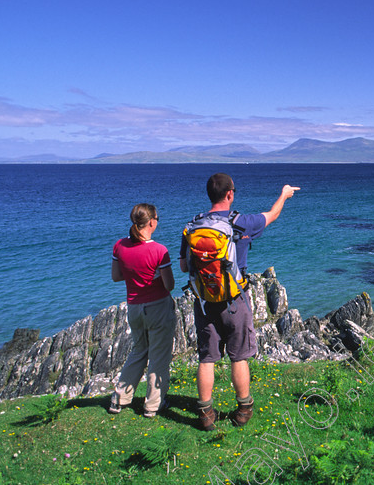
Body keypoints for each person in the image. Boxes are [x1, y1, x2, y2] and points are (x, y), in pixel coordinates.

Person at [180, 173, 298, 431]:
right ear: (230, 194)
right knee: (239, 356)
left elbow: (183, 266)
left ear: (209, 194)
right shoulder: (242, 223)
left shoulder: (192, 227)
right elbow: (272, 215)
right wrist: (284, 194)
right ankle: (243, 409)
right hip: (234, 299)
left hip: (204, 301)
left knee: (207, 358)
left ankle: (205, 414)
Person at [109, 203, 176, 418]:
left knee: (139, 351)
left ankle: (119, 398)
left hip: (134, 307)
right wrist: (154, 274)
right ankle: (153, 405)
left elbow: (117, 276)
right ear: (152, 222)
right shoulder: (159, 250)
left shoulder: (120, 246)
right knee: (159, 356)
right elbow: (169, 285)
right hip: (157, 307)